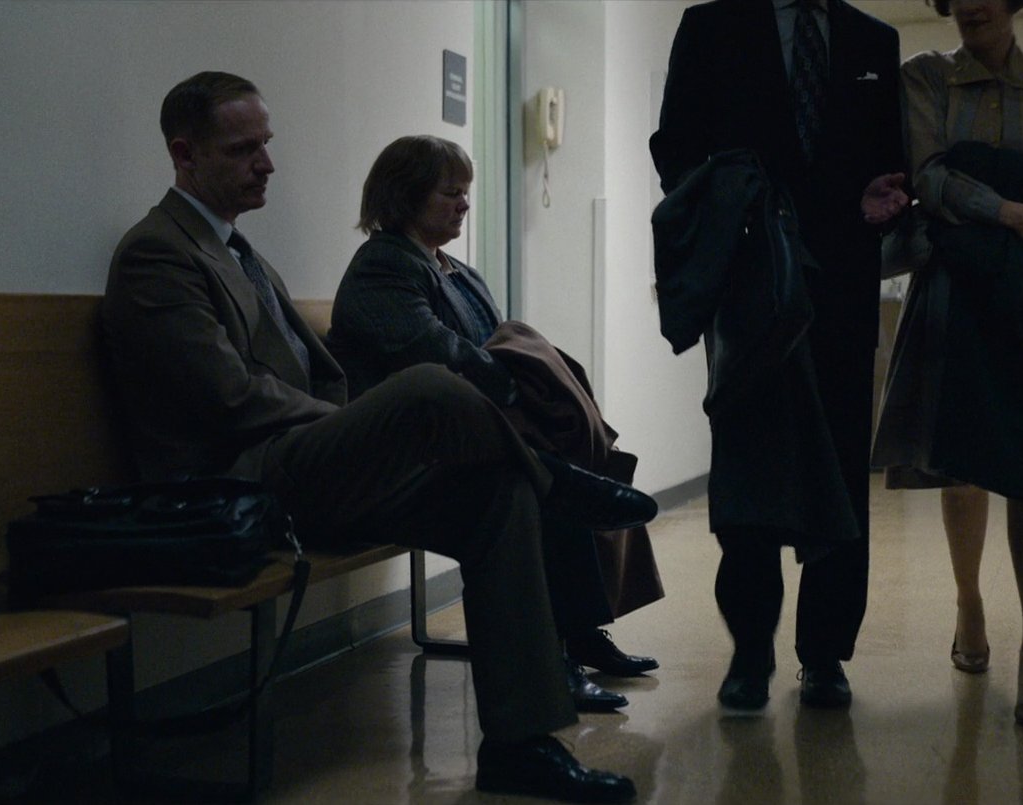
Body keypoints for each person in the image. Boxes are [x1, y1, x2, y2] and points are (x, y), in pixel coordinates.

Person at [101, 70, 639, 802]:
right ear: (184, 154)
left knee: (496, 493)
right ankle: (562, 484)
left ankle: (522, 744)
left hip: (301, 470)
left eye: (266, 143)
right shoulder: (158, 253)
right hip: (232, 485)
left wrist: (353, 424)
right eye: (243, 149)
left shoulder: (238, 251)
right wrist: (348, 423)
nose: (266, 163)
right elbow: (226, 397)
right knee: (428, 384)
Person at [325, 135, 664, 713]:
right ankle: (553, 651)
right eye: (450, 193)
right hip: (412, 444)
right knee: (537, 481)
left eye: (466, 192)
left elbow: (488, 341)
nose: (463, 204)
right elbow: (431, 351)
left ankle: (580, 631)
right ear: (405, 196)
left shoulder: (456, 270)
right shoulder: (384, 266)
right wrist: (512, 387)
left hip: (467, 427)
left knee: (566, 456)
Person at [650, 0, 910, 712]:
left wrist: (888, 196)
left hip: (843, 286)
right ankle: (750, 650)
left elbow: (893, 162)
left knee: (842, 469)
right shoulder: (712, 26)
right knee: (750, 471)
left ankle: (825, 655)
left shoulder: (872, 40)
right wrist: (728, 208)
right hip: (748, 286)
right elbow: (674, 149)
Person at [870, 0, 1023, 730]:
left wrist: (980, 178)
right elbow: (929, 178)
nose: (972, 3)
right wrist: (1014, 208)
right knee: (963, 462)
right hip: (960, 288)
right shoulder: (924, 78)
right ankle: (969, 604)